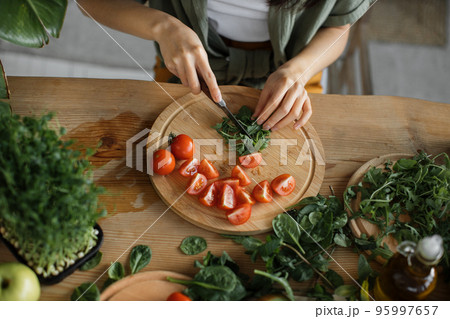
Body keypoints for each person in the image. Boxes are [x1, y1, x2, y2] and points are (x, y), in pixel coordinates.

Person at [77, 0, 373, 130]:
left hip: (298, 76)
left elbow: (338, 28)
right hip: (186, 71)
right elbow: (89, 2)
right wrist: (163, 28)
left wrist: (298, 71)